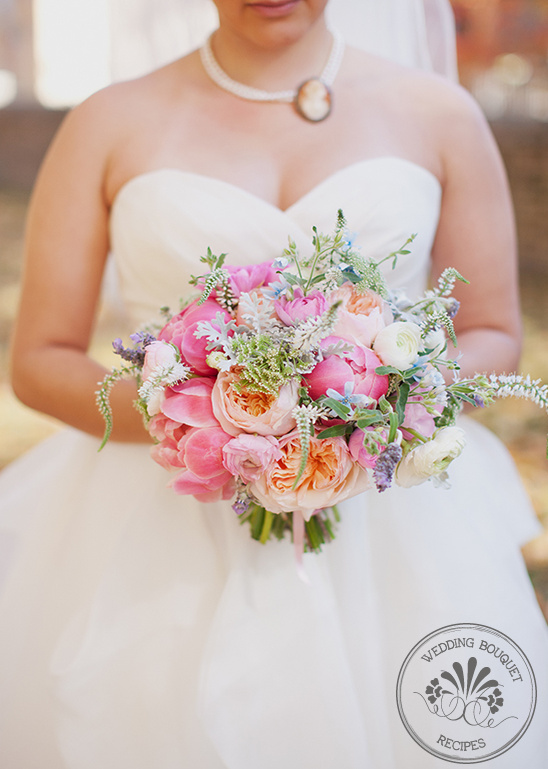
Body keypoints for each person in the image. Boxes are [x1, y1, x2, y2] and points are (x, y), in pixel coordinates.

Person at [1, 0, 547, 767]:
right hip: (156, 523)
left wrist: (374, 416)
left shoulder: (439, 115)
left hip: (392, 522)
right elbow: (41, 357)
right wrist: (213, 430)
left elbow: (494, 332)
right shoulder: (107, 122)